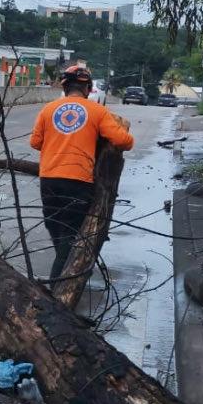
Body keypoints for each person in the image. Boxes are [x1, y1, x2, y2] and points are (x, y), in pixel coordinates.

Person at [30, 65, 134, 283]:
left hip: (49, 180)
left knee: (56, 228)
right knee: (69, 234)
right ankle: (57, 285)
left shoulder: (48, 110)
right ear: (87, 88)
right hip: (78, 181)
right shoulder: (97, 111)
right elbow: (124, 141)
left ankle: (62, 276)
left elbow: (35, 142)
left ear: (65, 87)